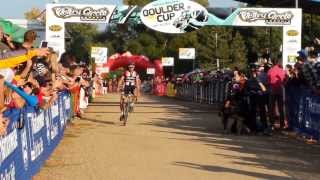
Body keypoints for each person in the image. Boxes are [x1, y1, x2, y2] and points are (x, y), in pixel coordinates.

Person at [267, 58, 286, 130]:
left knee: (271, 108)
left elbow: (268, 82)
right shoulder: (282, 70)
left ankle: (272, 124)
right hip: (280, 91)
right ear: (277, 63)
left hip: (272, 91)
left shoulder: (270, 70)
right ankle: (282, 124)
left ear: (272, 63)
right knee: (281, 108)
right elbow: (284, 80)